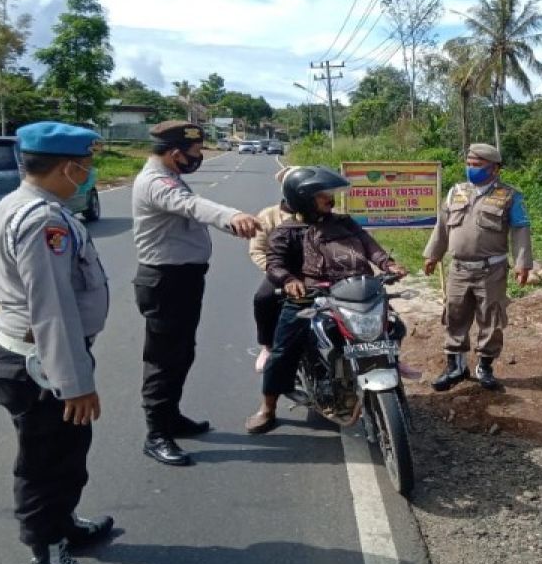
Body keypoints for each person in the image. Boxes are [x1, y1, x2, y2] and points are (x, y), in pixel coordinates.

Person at [0, 121, 114, 564]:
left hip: (41, 357)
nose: (88, 173)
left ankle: (62, 525)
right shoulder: (44, 220)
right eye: (86, 165)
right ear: (68, 167)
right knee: (47, 464)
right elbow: (52, 305)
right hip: (42, 363)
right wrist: (74, 381)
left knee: (66, 452)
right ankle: (47, 561)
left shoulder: (17, 202)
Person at [133, 120, 261, 466]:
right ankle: (156, 433)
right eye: (195, 151)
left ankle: (171, 417)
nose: (199, 156)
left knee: (181, 353)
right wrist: (234, 216)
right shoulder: (155, 183)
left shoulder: (170, 177)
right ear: (176, 154)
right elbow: (193, 206)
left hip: (181, 280)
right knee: (163, 359)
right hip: (165, 282)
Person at [245, 166, 408, 434]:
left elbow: (368, 245)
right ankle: (267, 408)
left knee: (391, 327)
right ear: (304, 198)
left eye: (330, 193)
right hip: (310, 296)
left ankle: (387, 372)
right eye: (323, 194)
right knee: (283, 351)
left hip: (354, 290)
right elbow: (274, 263)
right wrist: (289, 281)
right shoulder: (287, 231)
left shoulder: (344, 222)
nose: (330, 198)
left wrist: (387, 263)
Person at [423, 143, 533, 391]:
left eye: (478, 165)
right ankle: (456, 366)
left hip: (490, 270)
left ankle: (485, 366)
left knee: (491, 318)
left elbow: (520, 229)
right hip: (459, 269)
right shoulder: (456, 192)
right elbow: (442, 226)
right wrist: (433, 254)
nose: (471, 169)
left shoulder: (510, 196)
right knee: (454, 314)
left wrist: (522, 263)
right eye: (469, 164)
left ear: (494, 169)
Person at [248, 166, 303, 373]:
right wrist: (279, 272)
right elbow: (257, 251)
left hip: (319, 272)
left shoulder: (322, 214)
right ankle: (267, 346)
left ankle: (382, 352)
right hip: (280, 273)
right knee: (263, 298)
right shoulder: (268, 216)